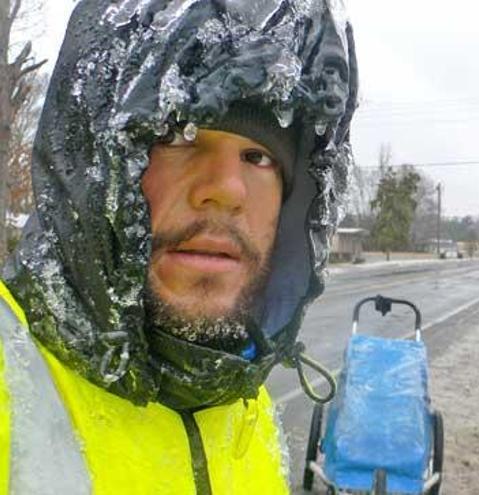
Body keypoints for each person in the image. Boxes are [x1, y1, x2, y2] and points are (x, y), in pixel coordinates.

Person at [0, 0, 357, 493]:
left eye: (257, 156)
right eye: (179, 135)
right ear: (89, 163)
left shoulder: (241, 398)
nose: (227, 190)